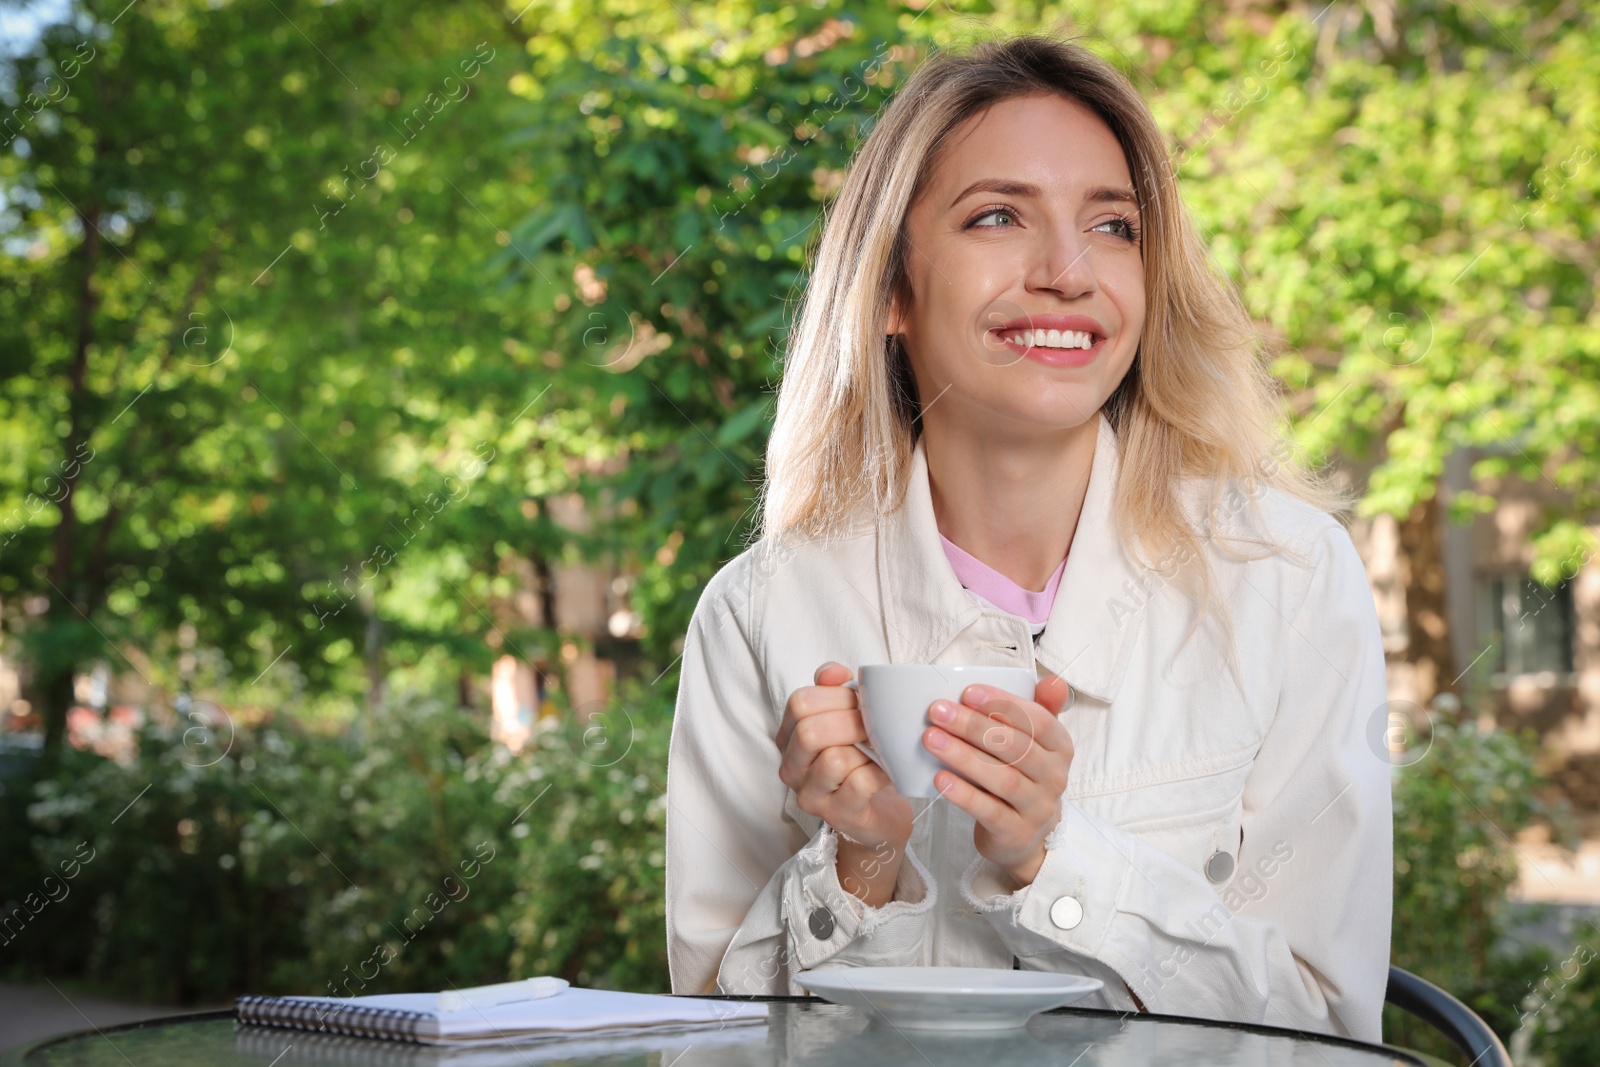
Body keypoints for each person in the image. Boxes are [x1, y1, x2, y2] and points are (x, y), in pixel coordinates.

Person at [664, 32, 1392, 1044]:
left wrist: (1054, 862)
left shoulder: (1289, 578)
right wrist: (860, 866)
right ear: (891, 289)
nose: (1066, 271)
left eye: (1112, 225)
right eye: (997, 216)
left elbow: (1329, 1029)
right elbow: (714, 1039)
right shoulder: (757, 613)